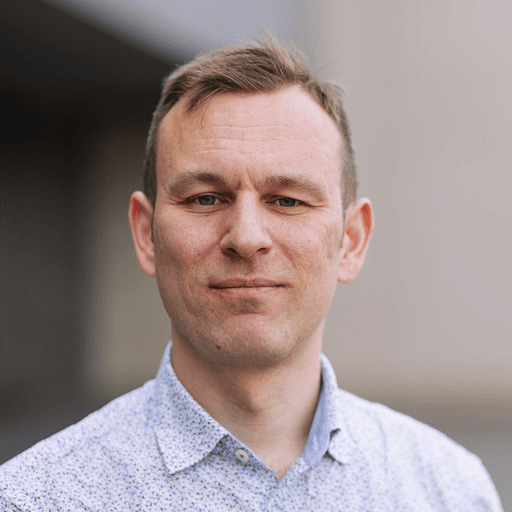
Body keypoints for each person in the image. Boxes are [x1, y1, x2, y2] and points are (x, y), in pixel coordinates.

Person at [0, 32, 503, 511]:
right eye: (206, 198)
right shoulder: (36, 499)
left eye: (287, 200)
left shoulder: (450, 491)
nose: (246, 237)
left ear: (351, 240)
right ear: (145, 233)